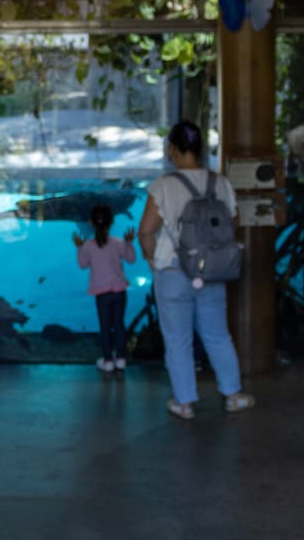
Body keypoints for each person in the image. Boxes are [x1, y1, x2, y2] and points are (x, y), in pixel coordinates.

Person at [136, 120, 256, 419]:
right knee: (217, 334)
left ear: (172, 149)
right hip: (212, 272)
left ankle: (185, 402)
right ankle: (233, 393)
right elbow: (233, 225)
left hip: (174, 271)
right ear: (200, 150)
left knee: (178, 339)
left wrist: (152, 260)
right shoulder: (221, 183)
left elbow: (146, 231)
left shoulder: (163, 186)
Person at [73, 205, 136, 372]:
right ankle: (121, 359)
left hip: (102, 294)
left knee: (105, 326)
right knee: (119, 324)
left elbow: (82, 265)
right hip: (119, 291)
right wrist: (129, 243)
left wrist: (79, 247)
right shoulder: (118, 242)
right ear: (112, 221)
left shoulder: (88, 245)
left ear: (90, 223)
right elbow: (131, 259)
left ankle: (108, 361)